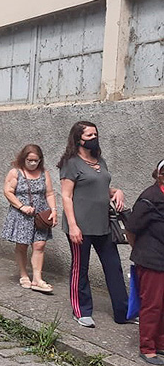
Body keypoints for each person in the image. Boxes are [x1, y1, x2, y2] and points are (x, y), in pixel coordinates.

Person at [58, 121, 127, 328]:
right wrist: (73, 226)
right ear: (78, 139)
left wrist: (116, 191)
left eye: (95, 134)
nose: (93, 138)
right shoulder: (71, 163)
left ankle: (123, 312)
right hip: (80, 226)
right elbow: (66, 196)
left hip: (103, 225)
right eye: (89, 135)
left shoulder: (100, 160)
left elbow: (100, 187)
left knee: (114, 267)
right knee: (81, 268)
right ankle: (81, 311)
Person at [1, 144, 57, 294]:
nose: (33, 163)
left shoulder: (44, 173)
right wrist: (21, 206)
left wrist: (54, 210)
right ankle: (23, 274)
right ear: (23, 159)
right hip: (21, 214)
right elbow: (8, 191)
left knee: (39, 245)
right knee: (22, 246)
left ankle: (37, 278)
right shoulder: (15, 172)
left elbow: (50, 193)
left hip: (40, 215)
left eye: (36, 160)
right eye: (30, 160)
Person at [126, 160, 164, 366]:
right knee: (153, 305)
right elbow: (131, 228)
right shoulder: (149, 198)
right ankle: (147, 348)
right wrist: (140, 252)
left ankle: (160, 343)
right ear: (159, 175)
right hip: (152, 259)